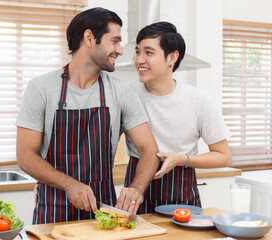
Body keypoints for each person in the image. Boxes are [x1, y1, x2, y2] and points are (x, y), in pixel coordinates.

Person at [16, 7, 160, 224]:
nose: (120, 50)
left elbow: (149, 149)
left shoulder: (121, 91)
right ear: (89, 38)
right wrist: (69, 184)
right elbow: (26, 155)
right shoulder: (41, 88)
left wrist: (137, 189)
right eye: (115, 41)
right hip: (52, 215)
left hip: (103, 216)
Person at [123, 21, 232, 214]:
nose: (139, 60)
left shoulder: (198, 99)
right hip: (136, 188)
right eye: (137, 52)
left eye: (148, 53)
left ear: (172, 57)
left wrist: (182, 159)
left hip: (181, 190)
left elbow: (223, 156)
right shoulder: (127, 95)